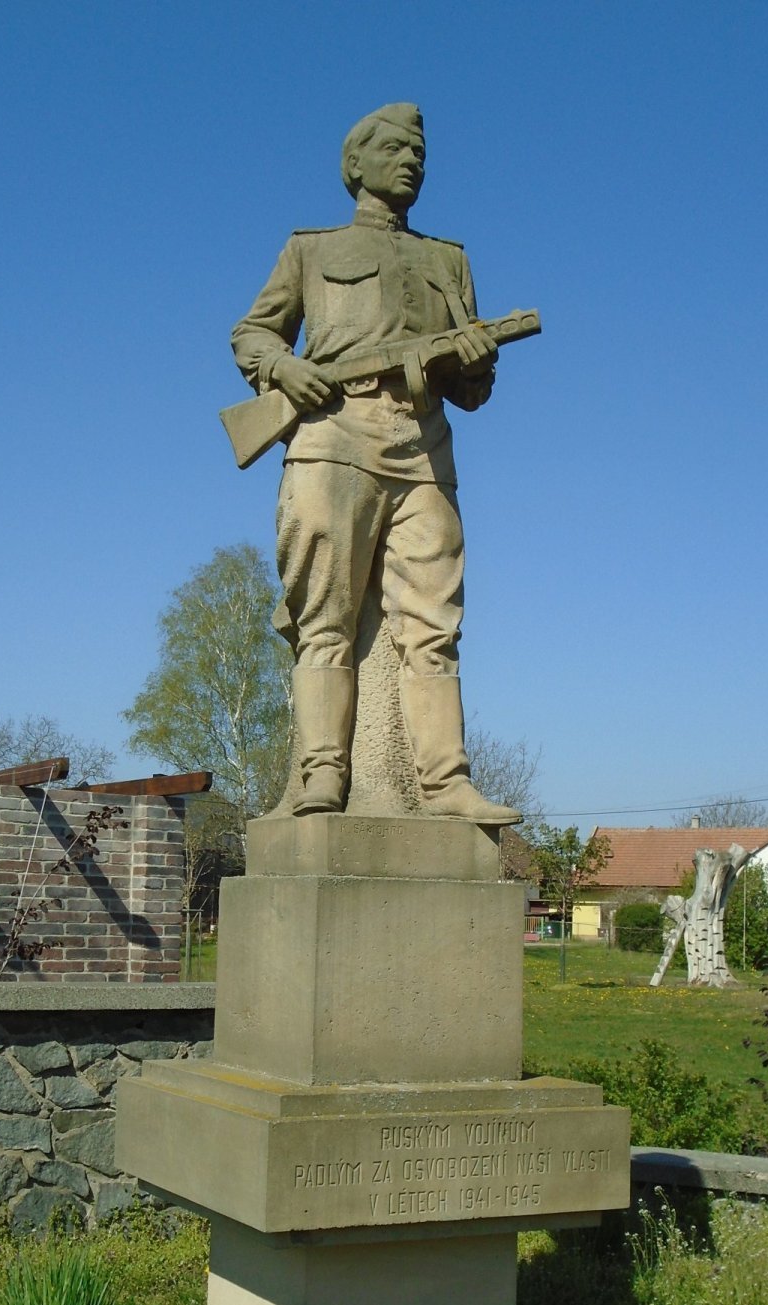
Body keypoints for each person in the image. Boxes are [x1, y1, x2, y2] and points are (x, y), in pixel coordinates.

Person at [231, 102, 519, 824]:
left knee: (434, 624)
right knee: (323, 617)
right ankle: (322, 773)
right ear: (355, 165)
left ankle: (445, 783)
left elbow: (472, 393)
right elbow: (253, 333)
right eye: (394, 149)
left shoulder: (448, 260)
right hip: (331, 437)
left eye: (419, 152)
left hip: (423, 446)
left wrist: (476, 367)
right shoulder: (311, 249)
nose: (412, 161)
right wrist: (284, 371)